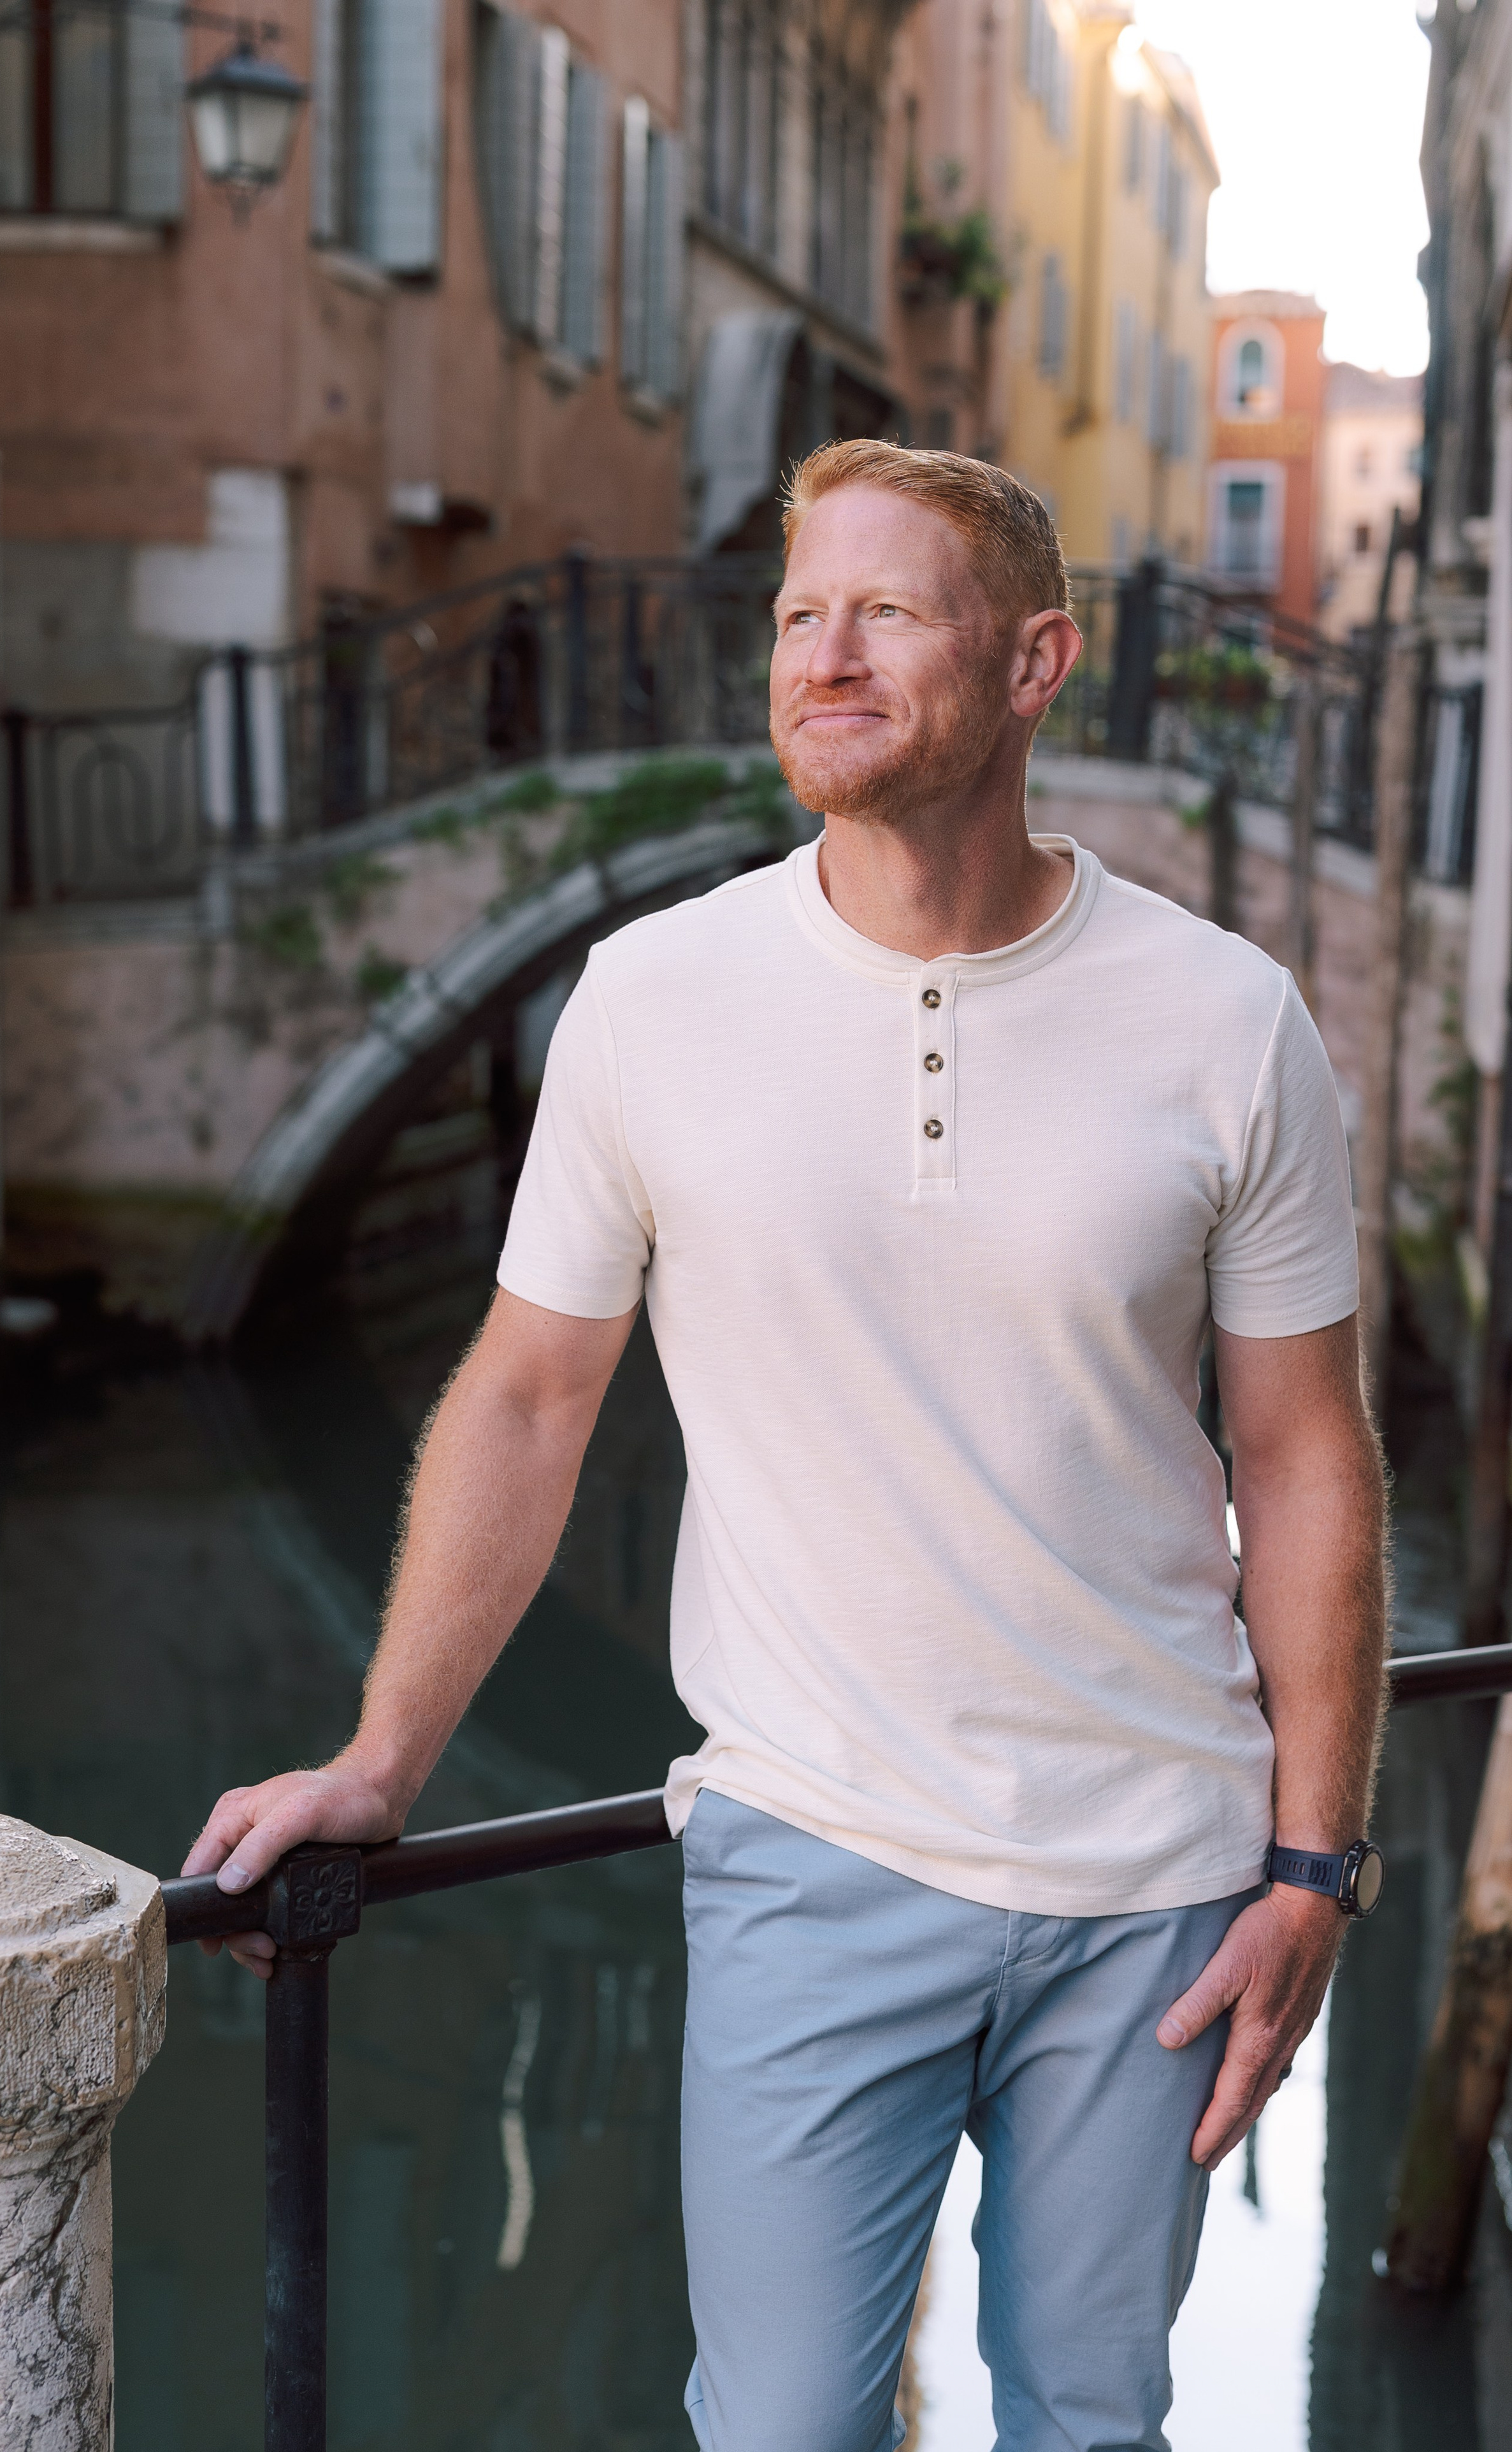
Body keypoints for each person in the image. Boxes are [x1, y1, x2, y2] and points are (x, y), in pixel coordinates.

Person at [185, 442, 1388, 2452]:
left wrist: (1319, 1866)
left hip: (1165, 1880)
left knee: (1097, 2423)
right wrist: (382, 1758)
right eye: (795, 615)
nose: (821, 656)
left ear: (1036, 665)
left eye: (889, 612)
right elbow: (526, 1393)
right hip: (811, 1863)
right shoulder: (649, 999)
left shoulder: (1228, 1018)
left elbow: (1311, 1454)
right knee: (779, 2436)